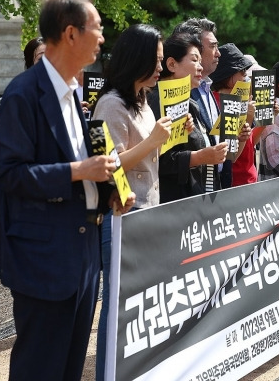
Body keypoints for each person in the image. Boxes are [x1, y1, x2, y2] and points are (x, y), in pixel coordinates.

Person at [0, 0, 136, 380]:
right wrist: (78, 171)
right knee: (39, 368)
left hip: (81, 255)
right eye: (96, 29)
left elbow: (84, 162)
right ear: (70, 33)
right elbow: (11, 174)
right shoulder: (24, 94)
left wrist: (109, 189)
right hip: (43, 258)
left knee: (67, 369)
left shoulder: (74, 93)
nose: (101, 39)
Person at [93, 23, 175, 381]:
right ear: (137, 59)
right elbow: (108, 162)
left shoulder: (143, 99)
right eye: (156, 61)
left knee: (144, 304)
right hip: (122, 216)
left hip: (148, 212)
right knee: (118, 309)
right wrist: (154, 139)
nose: (160, 68)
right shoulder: (111, 104)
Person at [150, 32, 228, 202]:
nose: (200, 67)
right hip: (171, 205)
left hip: (197, 199)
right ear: (171, 64)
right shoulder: (157, 100)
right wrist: (200, 157)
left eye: (200, 61)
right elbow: (158, 160)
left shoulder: (191, 103)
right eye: (194, 60)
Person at [173, 18, 235, 188]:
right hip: (189, 196)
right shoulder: (176, 93)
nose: (218, 53)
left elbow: (223, 149)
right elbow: (166, 159)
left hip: (215, 188)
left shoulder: (207, 87)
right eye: (213, 46)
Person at [209, 43, 256, 186]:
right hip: (229, 182)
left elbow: (233, 154)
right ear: (228, 74)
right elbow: (228, 156)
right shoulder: (213, 103)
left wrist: (248, 120)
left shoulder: (240, 101)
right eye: (241, 70)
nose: (245, 75)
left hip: (247, 179)